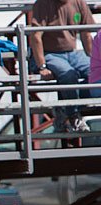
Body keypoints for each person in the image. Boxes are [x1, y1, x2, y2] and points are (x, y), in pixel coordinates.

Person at [30, 0, 94, 133]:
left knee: (96, 73)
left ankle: (66, 107)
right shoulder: (43, 4)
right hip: (51, 53)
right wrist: (42, 66)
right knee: (68, 74)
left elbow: (86, 33)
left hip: (73, 53)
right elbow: (36, 36)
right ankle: (72, 116)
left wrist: (95, 60)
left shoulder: (79, 2)